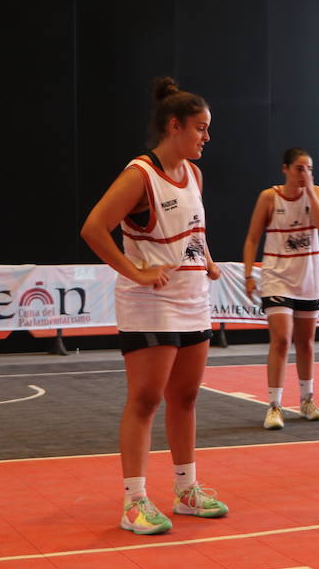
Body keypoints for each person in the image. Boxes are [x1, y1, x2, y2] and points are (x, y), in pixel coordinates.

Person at [81, 77, 228, 535]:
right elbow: (93, 229)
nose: (207, 137)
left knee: (185, 398)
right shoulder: (139, 175)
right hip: (149, 305)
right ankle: (134, 502)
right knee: (145, 401)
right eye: (200, 128)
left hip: (191, 300)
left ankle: (186, 490)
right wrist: (136, 271)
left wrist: (205, 258)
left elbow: (191, 227)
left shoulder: (195, 175)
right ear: (174, 126)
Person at [242, 148, 319, 430]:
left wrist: (309, 192)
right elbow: (252, 238)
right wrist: (249, 275)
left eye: (309, 168)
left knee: (306, 343)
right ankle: (274, 405)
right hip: (277, 277)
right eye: (299, 168)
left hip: (308, 279)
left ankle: (307, 400)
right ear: (285, 169)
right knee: (282, 339)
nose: (304, 173)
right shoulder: (269, 197)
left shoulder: (316, 192)